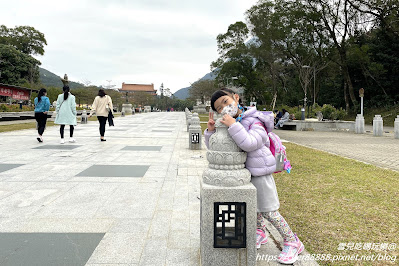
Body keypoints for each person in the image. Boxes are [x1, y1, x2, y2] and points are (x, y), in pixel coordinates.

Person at [204, 88, 303, 265]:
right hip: (243, 172)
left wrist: (233, 125)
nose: (224, 109)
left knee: (268, 210)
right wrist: (211, 132)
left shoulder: (255, 121)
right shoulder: (234, 121)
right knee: (253, 208)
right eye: (219, 108)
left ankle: (292, 241)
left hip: (259, 172)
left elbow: (250, 144)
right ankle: (260, 233)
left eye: (226, 102)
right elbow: (218, 149)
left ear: (236, 98)